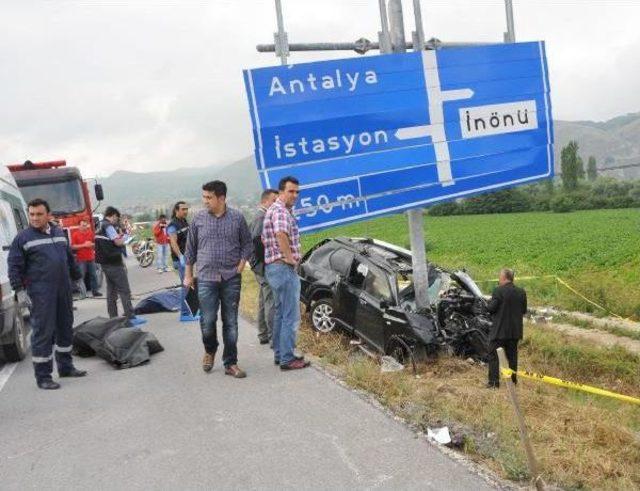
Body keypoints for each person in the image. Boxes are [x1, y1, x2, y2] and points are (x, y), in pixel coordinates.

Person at [8, 198, 86, 390]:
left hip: (63, 289)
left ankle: (66, 367)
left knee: (65, 327)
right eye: (31, 214)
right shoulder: (23, 238)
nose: (34, 218)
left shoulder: (59, 233)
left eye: (39, 214)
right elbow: (14, 266)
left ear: (48, 215)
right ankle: (43, 376)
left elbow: (68, 257)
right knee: (43, 333)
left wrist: (77, 277)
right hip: (41, 293)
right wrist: (20, 290)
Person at [184, 180, 252, 378]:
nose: (204, 201)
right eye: (203, 197)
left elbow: (247, 244)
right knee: (207, 321)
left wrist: (241, 265)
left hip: (231, 278)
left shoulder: (237, 218)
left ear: (221, 198)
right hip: (205, 278)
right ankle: (210, 349)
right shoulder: (198, 219)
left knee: (230, 322)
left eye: (208, 197)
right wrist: (188, 275)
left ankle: (230, 363)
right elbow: (190, 249)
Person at [263, 176, 310, 371]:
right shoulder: (281, 211)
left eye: (297, 191)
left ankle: (281, 354)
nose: (295, 195)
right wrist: (290, 258)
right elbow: (281, 234)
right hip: (283, 268)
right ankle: (288, 358)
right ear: (281, 192)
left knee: (282, 313)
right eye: (291, 191)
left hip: (274, 268)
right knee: (291, 315)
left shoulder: (275, 210)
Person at [95, 206, 146, 327]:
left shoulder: (99, 225)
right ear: (112, 215)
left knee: (111, 292)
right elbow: (117, 242)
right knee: (124, 290)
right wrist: (127, 238)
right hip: (114, 262)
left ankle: (113, 319)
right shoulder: (108, 226)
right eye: (117, 218)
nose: (117, 221)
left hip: (105, 263)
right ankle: (130, 317)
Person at [486, 268, 527, 388]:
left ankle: (494, 383)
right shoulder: (521, 292)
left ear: (504, 278)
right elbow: (523, 310)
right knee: (512, 357)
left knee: (494, 356)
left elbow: (492, 308)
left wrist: (487, 304)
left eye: (500, 277)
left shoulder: (498, 290)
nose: (499, 279)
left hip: (499, 331)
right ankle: (513, 382)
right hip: (515, 332)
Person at [250, 189, 278, 345]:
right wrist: (268, 263)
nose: (276, 204)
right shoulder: (262, 217)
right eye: (274, 200)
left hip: (258, 264)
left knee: (263, 298)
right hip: (264, 265)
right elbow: (257, 243)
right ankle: (274, 337)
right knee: (271, 301)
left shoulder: (259, 215)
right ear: (265, 201)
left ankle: (263, 334)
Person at [167, 201, 197, 322]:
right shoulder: (172, 225)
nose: (185, 211)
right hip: (181, 260)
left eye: (186, 209)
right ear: (176, 210)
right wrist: (180, 256)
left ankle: (191, 311)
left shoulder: (184, 222)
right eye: (183, 209)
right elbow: (173, 242)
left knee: (190, 285)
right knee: (186, 286)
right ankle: (184, 314)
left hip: (188, 258)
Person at [70, 218, 102, 298]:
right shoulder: (75, 235)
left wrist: (91, 245)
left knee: (93, 275)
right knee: (81, 277)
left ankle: (95, 292)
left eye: (85, 225)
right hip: (81, 259)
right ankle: (82, 294)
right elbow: (73, 247)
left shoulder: (90, 233)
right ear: (79, 226)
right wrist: (84, 245)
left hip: (91, 258)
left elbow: (95, 244)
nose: (85, 227)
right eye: (83, 225)